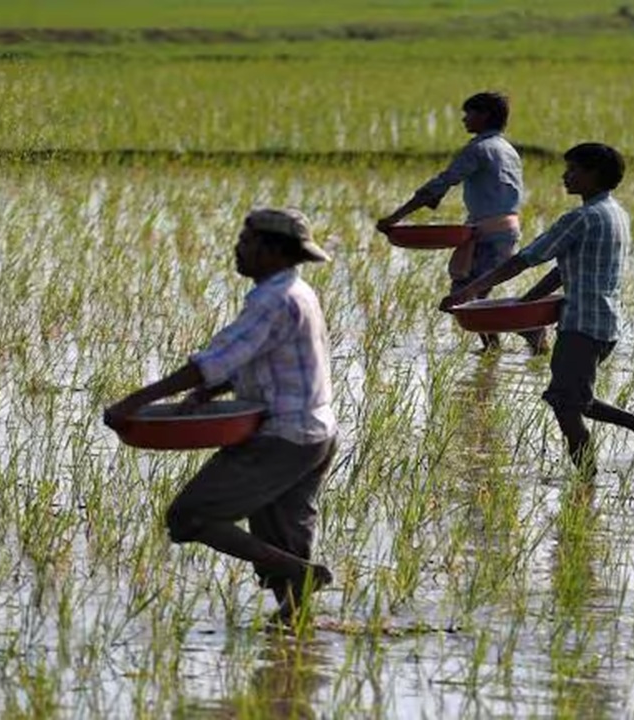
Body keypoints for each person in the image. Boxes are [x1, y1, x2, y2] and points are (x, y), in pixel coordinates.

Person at [103, 208, 338, 624]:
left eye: (246, 242)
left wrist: (133, 403)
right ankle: (295, 638)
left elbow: (212, 361)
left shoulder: (273, 300)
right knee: (281, 539)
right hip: (315, 434)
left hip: (283, 437)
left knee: (189, 516)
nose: (237, 249)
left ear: (273, 250)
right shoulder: (298, 292)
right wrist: (211, 392)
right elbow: (257, 360)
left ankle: (303, 575)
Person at [440, 143, 634, 475]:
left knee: (566, 404)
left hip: (581, 326)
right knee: (574, 398)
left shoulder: (581, 218)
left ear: (594, 175)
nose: (565, 176)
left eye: (573, 170)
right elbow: (565, 269)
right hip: (604, 324)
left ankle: (588, 478)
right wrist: (525, 302)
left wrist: (468, 291)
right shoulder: (615, 213)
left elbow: (523, 259)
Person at [376, 91, 546, 355]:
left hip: (490, 231)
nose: (464, 119)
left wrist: (395, 217)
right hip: (504, 229)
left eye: (469, 113)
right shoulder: (507, 149)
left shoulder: (478, 149)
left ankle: (527, 330)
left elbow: (442, 182)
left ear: (485, 116)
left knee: (465, 294)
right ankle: (493, 349)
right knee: (475, 293)